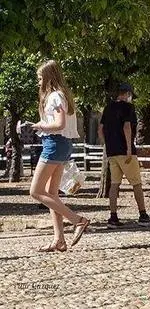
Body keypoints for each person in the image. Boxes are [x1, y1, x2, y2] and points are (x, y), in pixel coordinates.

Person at [26, 60, 89, 251]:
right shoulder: (63, 96)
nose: (38, 82)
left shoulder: (54, 97)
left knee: (36, 191)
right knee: (52, 194)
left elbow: (59, 124)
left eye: (39, 78)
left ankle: (78, 220)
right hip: (61, 145)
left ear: (47, 77)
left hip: (54, 144)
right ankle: (59, 240)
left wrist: (40, 126)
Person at [99, 83, 150, 227]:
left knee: (114, 185)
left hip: (112, 152)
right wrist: (128, 148)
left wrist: (107, 146)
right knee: (136, 184)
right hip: (125, 152)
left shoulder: (107, 108)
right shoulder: (128, 108)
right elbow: (127, 127)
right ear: (127, 94)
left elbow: (100, 130)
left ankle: (113, 217)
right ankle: (143, 215)